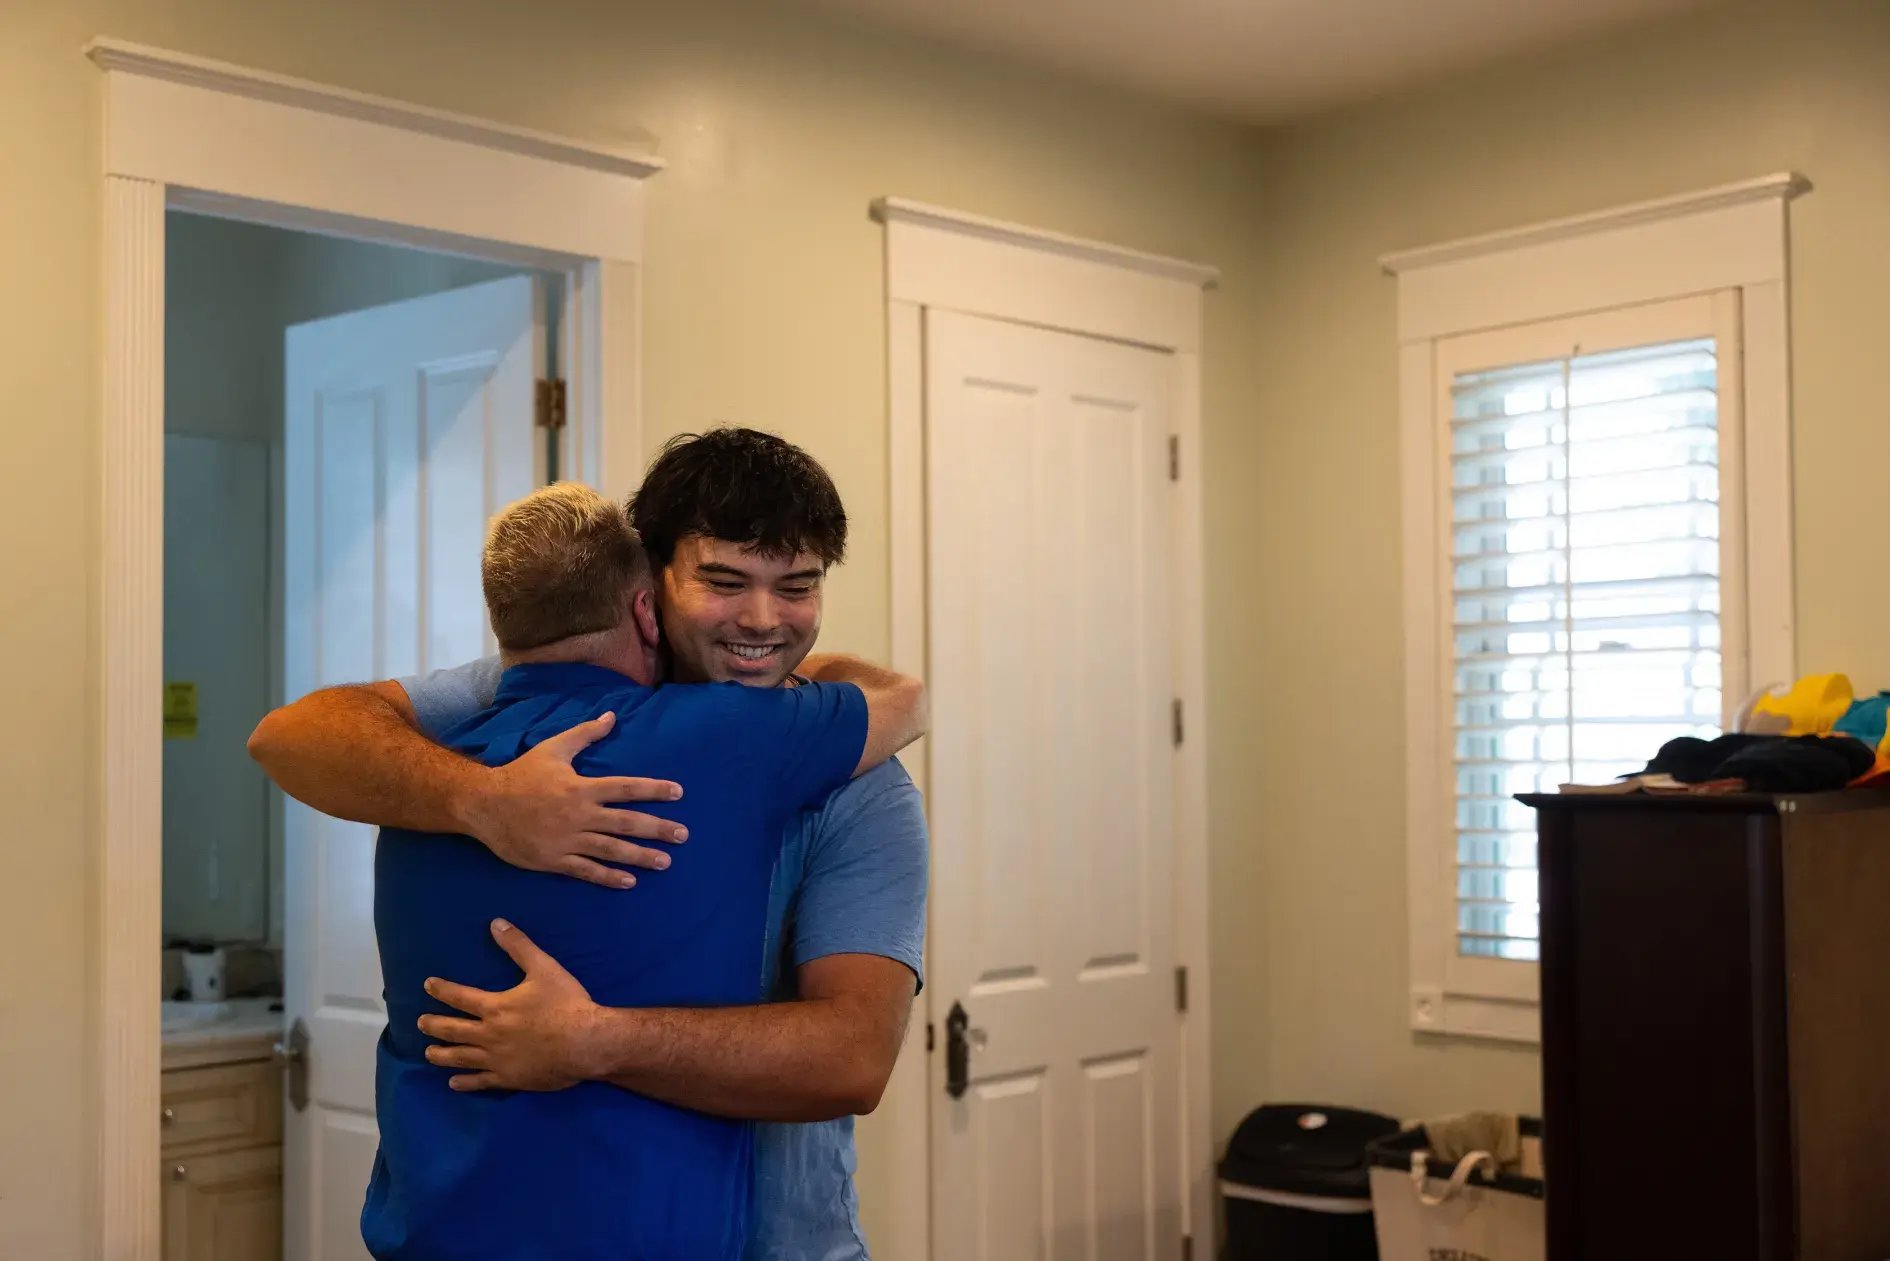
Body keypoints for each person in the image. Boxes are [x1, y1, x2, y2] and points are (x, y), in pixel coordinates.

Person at [248, 428, 929, 1260]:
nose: (762, 620)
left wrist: (594, 1040)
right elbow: (295, 735)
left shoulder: (861, 787)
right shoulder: (518, 700)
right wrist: (486, 800)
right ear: (649, 585)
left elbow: (854, 1058)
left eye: (798, 587)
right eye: (723, 581)